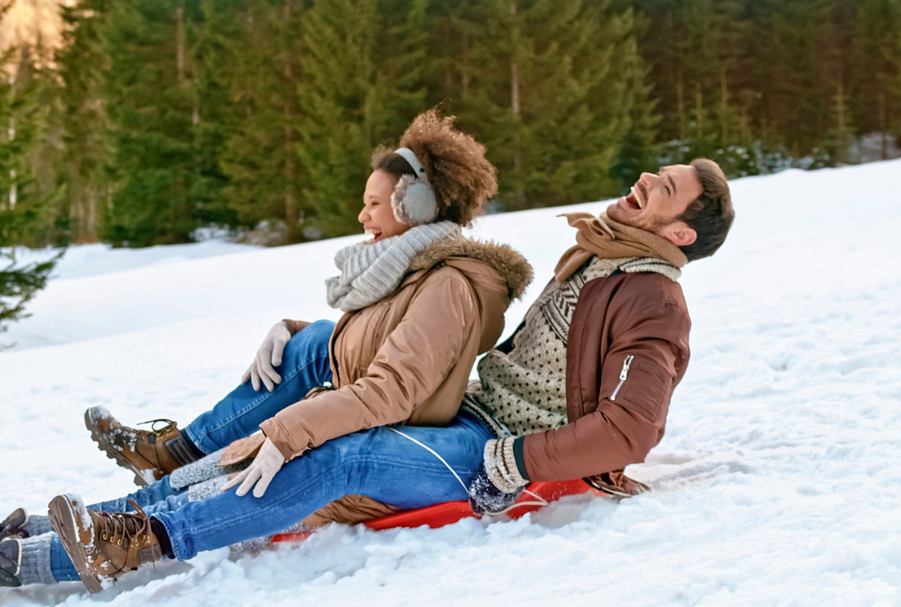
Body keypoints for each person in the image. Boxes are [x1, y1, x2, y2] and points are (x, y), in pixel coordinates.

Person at [3, 157, 733, 595]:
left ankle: (133, 540)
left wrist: (516, 461)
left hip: (498, 453)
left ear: (680, 232)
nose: (646, 177)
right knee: (293, 424)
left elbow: (631, 428)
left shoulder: (652, 297)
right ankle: (84, 521)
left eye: (664, 185)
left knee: (337, 454)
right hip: (474, 419)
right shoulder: (600, 255)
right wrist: (298, 337)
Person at [0, 110, 532, 590]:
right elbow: (367, 344)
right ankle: (47, 540)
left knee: (273, 464)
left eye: (373, 204)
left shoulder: (447, 286)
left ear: (414, 206)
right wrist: (292, 331)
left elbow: (392, 391)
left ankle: (83, 553)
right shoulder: (407, 268)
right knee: (218, 466)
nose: (362, 216)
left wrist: (286, 430)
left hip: (404, 443)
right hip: (377, 426)